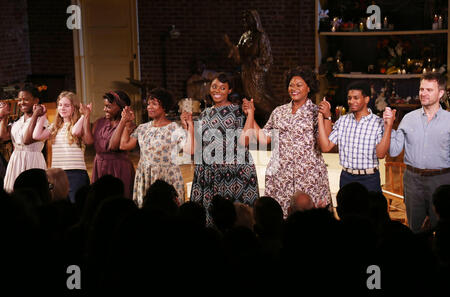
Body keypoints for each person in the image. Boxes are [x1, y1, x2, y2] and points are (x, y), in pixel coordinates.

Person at [242, 66, 331, 216]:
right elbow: (264, 138)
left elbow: (325, 143)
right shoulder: (279, 112)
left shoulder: (317, 112)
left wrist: (327, 117)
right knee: (281, 218)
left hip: (309, 176)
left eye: (299, 85)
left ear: (309, 88)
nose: (293, 88)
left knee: (312, 219)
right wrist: (251, 114)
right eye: (291, 85)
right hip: (281, 176)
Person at [182, 72, 259, 221]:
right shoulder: (205, 114)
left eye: (222, 88)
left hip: (234, 170)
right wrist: (189, 125)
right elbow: (195, 148)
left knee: (234, 216)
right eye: (214, 87)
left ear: (229, 91)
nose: (217, 91)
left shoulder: (238, 111)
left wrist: (250, 114)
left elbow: (245, 141)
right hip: (208, 170)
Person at [387, 72, 450, 233]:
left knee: (444, 228)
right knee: (415, 229)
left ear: (441, 93)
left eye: (429, 90)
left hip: (442, 180)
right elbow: (394, 151)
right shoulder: (408, 119)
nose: (423, 93)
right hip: (413, 180)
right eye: (422, 89)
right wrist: (388, 126)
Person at [317, 80, 394, 193]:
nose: (351, 101)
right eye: (349, 98)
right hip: (346, 178)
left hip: (370, 179)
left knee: (371, 211)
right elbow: (326, 147)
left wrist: (388, 126)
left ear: (367, 99)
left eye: (356, 98)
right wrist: (321, 117)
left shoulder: (378, 123)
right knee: (346, 211)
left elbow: (381, 154)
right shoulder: (342, 121)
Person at [120, 88, 187, 208]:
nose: (149, 107)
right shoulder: (142, 128)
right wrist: (126, 123)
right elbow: (124, 145)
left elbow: (189, 149)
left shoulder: (174, 128)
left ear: (165, 107)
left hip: (167, 177)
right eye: (148, 104)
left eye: (154, 104)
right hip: (145, 175)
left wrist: (188, 126)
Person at [33, 91, 93, 202]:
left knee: (75, 206)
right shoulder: (54, 127)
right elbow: (36, 135)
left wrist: (84, 115)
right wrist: (42, 116)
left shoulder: (78, 125)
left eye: (67, 105)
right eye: (60, 105)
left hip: (75, 173)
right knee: (59, 206)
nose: (62, 108)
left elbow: (75, 132)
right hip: (58, 174)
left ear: (74, 107)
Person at [224, 9, 277, 126]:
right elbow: (238, 55)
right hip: (245, 72)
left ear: (255, 19)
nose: (245, 21)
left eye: (248, 18)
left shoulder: (261, 36)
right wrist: (230, 46)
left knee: (259, 98)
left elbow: (267, 56)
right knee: (248, 98)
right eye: (244, 18)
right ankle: (252, 123)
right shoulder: (244, 36)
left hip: (257, 73)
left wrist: (255, 63)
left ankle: (271, 121)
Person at [1, 85, 50, 192]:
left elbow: (27, 140)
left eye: (26, 99)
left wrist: (35, 115)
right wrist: (4, 117)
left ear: (36, 100)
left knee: (32, 193)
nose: (21, 102)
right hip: (16, 160)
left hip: (32, 160)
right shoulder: (18, 121)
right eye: (19, 100)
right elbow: (3, 136)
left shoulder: (42, 120)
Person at [91, 90, 135, 198]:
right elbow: (89, 142)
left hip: (118, 167)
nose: (104, 109)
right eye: (105, 106)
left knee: (118, 199)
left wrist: (123, 121)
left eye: (108, 107)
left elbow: (113, 146)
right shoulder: (99, 122)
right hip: (100, 165)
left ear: (121, 108)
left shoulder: (129, 125)